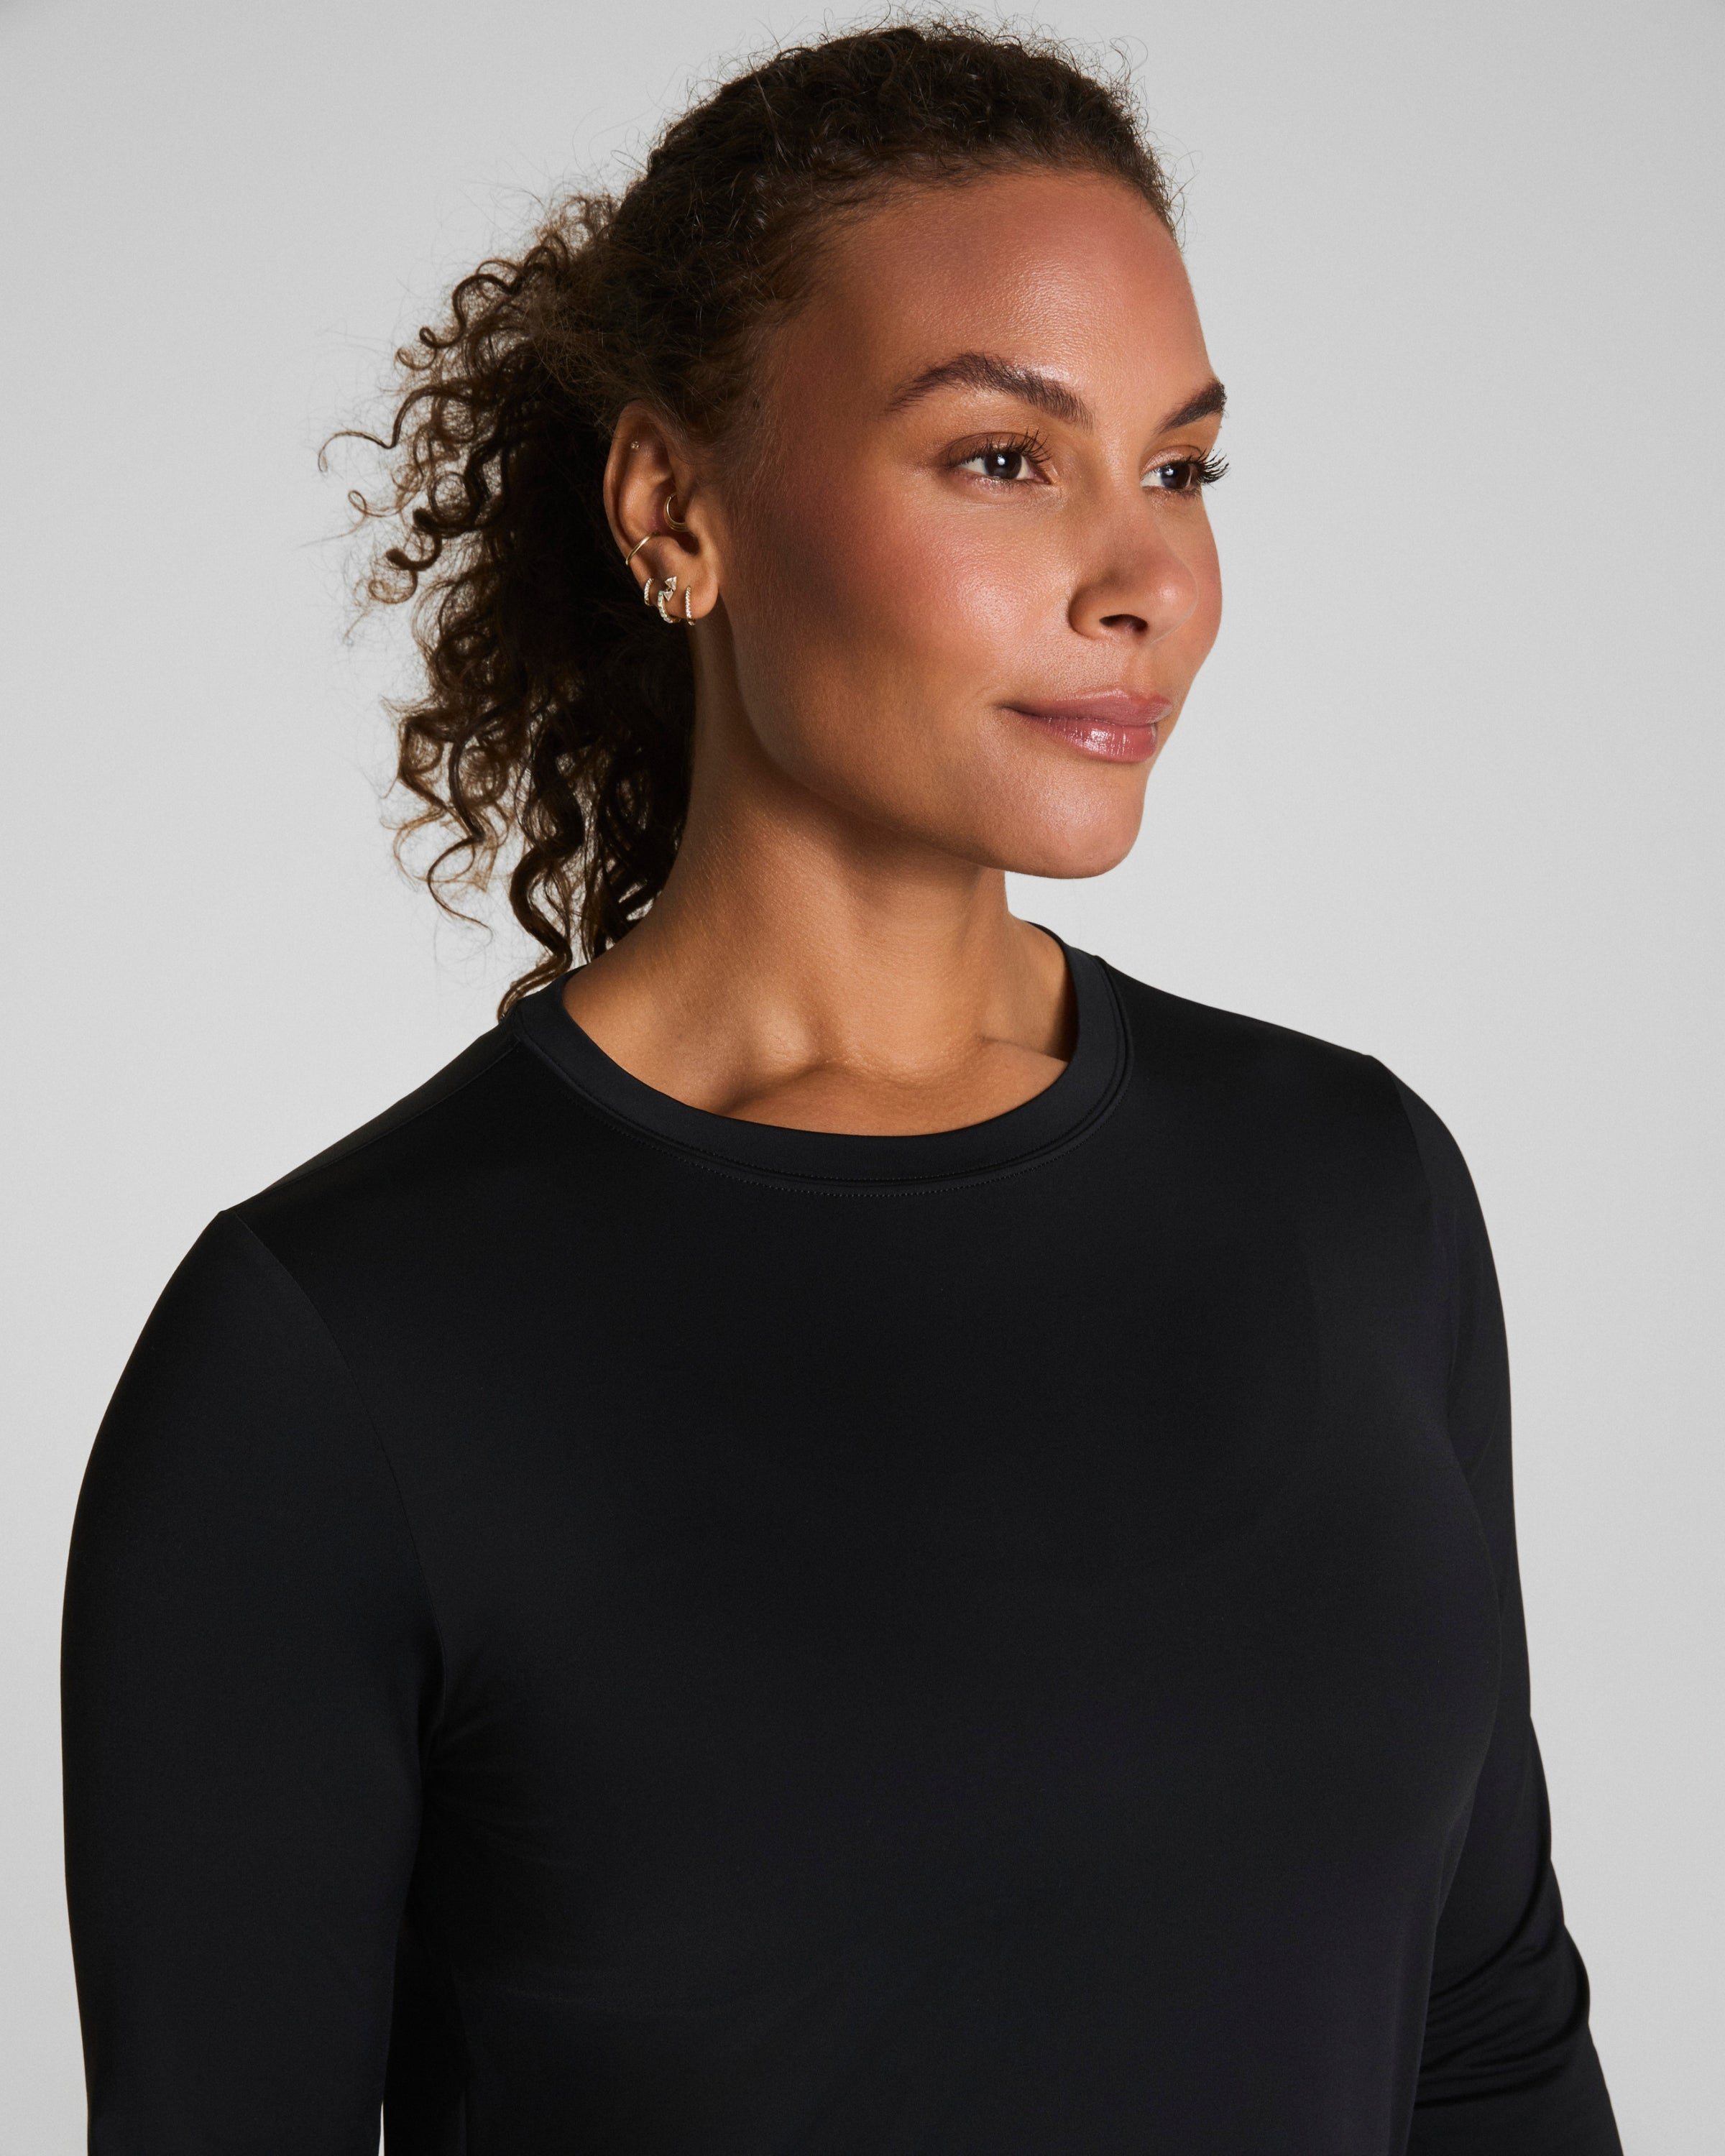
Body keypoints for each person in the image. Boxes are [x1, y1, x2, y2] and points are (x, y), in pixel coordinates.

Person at [60, 21, 1622, 2155]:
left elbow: (1490, 2045)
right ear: (674, 508)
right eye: (1003, 458)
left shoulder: (1357, 1195)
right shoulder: (333, 1357)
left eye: (1179, 469)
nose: (1145, 582)